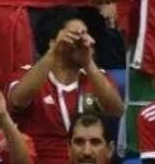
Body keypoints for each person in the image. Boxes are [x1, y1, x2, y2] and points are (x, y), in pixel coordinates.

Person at [7, 10, 125, 163]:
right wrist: (54, 52)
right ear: (52, 42)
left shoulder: (96, 76)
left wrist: (88, 62)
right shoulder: (27, 75)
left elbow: (116, 110)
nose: (85, 42)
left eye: (86, 35)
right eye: (76, 36)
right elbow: (17, 100)